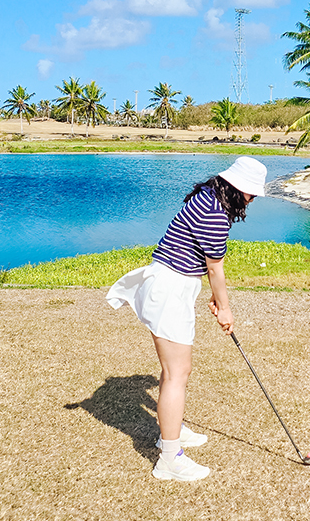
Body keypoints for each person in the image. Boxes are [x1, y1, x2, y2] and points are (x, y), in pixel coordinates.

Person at [106, 156, 267, 482]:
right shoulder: (216, 215)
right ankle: (170, 457)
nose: (251, 200)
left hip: (171, 284)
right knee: (177, 372)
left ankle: (171, 430)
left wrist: (214, 298)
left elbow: (198, 259)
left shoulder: (206, 196)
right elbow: (215, 269)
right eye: (251, 194)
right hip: (169, 291)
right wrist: (224, 308)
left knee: (176, 371)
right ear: (238, 189)